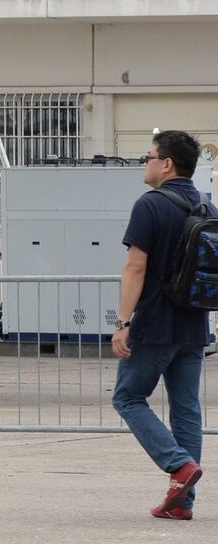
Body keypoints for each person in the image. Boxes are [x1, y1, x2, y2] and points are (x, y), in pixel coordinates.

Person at [112, 129, 213, 520]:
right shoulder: (207, 207)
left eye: (148, 156)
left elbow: (135, 266)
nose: (145, 162)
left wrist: (123, 322)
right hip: (193, 324)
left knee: (127, 398)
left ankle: (178, 465)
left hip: (155, 323)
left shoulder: (149, 204)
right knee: (186, 408)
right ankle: (183, 504)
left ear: (166, 163)